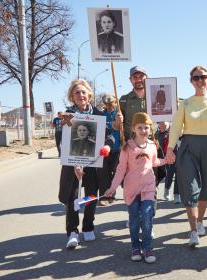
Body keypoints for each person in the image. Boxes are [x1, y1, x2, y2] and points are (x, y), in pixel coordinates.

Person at [165, 66, 207, 247]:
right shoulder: (186, 103)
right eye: (196, 77)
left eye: (203, 77)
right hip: (188, 147)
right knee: (191, 189)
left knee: (205, 189)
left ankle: (199, 223)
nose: (200, 80)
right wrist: (170, 148)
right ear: (191, 81)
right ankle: (193, 231)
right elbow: (176, 127)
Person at [59, 79, 114, 249]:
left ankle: (88, 226)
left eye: (83, 92)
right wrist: (74, 163)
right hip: (73, 166)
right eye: (77, 93)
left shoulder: (99, 115)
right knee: (72, 197)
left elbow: (110, 136)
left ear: (89, 94)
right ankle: (73, 232)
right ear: (72, 97)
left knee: (91, 195)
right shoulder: (67, 116)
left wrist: (107, 145)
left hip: (93, 163)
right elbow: (60, 140)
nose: (81, 95)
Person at [105, 112, 166, 263]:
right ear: (133, 129)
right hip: (131, 190)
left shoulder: (152, 145)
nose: (143, 130)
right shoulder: (127, 147)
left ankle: (147, 247)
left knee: (146, 216)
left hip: (148, 187)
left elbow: (153, 162)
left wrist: (166, 160)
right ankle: (135, 247)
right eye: (140, 127)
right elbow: (120, 169)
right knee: (134, 221)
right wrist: (112, 187)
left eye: (146, 127)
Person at [97, 93, 123, 206]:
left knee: (115, 173)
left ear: (115, 102)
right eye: (107, 104)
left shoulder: (119, 114)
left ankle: (111, 194)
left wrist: (120, 121)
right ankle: (104, 196)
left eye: (111, 103)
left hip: (117, 148)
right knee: (103, 173)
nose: (109, 106)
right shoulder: (101, 115)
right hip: (104, 149)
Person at [119, 66, 147, 139]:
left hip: (151, 144)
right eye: (135, 77)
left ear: (146, 78)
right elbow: (115, 126)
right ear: (130, 80)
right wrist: (117, 121)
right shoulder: (124, 100)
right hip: (131, 144)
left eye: (141, 76)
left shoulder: (155, 98)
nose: (138, 80)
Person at [155, 121, 172, 200]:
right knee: (157, 174)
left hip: (168, 156)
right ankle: (154, 189)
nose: (162, 125)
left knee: (168, 174)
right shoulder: (155, 134)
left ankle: (167, 190)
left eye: (164, 123)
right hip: (158, 157)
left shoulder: (171, 132)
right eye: (160, 123)